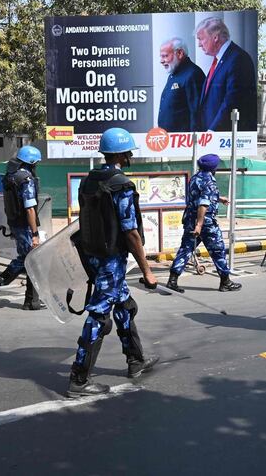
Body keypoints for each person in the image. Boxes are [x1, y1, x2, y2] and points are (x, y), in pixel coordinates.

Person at [67, 127, 159, 398]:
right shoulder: (121, 185)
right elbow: (130, 232)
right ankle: (79, 380)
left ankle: (136, 360)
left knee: (124, 306)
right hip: (111, 260)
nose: (131, 155)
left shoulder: (89, 180)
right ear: (120, 154)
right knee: (98, 316)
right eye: (128, 151)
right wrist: (147, 271)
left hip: (92, 254)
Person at [165, 153, 242, 292]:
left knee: (185, 249)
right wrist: (200, 225)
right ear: (214, 168)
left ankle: (172, 280)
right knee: (218, 250)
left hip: (190, 220)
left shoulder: (196, 178)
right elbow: (203, 204)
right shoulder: (210, 182)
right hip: (205, 223)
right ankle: (225, 282)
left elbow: (199, 196)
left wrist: (219, 198)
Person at [0, 145, 44, 310]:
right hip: (24, 225)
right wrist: (35, 233)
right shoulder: (26, 180)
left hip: (15, 223)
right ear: (31, 163)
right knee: (30, 259)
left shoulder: (11, 176)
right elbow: (30, 207)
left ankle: (30, 300)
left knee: (28, 259)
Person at [195, 16, 257, 132]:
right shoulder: (220, 59)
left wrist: (212, 131)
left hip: (225, 138)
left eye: (201, 39)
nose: (199, 44)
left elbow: (232, 100)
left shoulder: (238, 59)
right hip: (211, 137)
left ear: (215, 38)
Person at [157, 37, 205, 132]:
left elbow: (196, 112)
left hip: (184, 143)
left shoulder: (192, 74)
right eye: (161, 56)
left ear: (179, 53)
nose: (161, 61)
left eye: (165, 56)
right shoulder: (175, 73)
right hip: (170, 140)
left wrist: (194, 143)